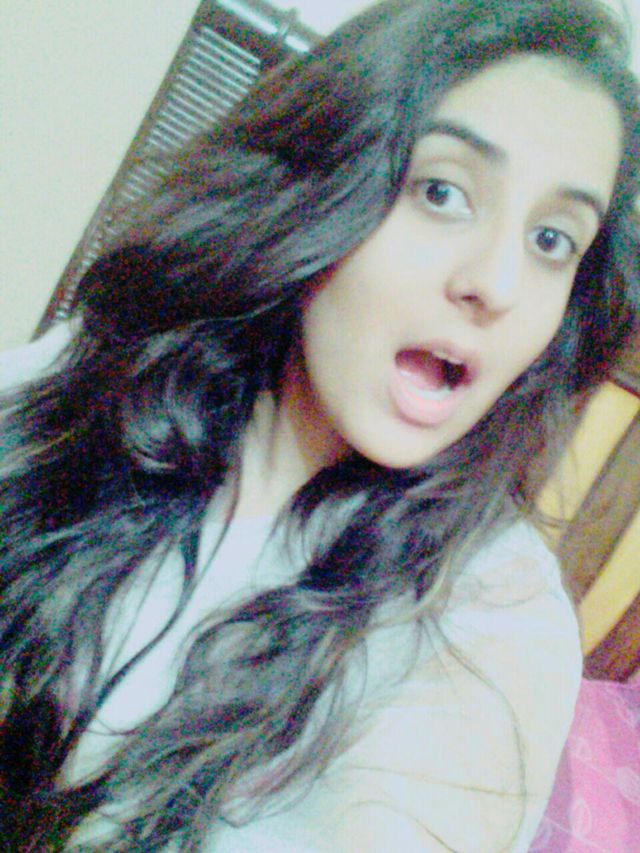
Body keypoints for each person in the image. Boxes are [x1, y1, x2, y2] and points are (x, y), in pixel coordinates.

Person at [0, 0, 638, 849]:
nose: (498, 282)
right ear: (319, 184)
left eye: (553, 240)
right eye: (442, 192)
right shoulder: (107, 373)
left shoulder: (488, 629)